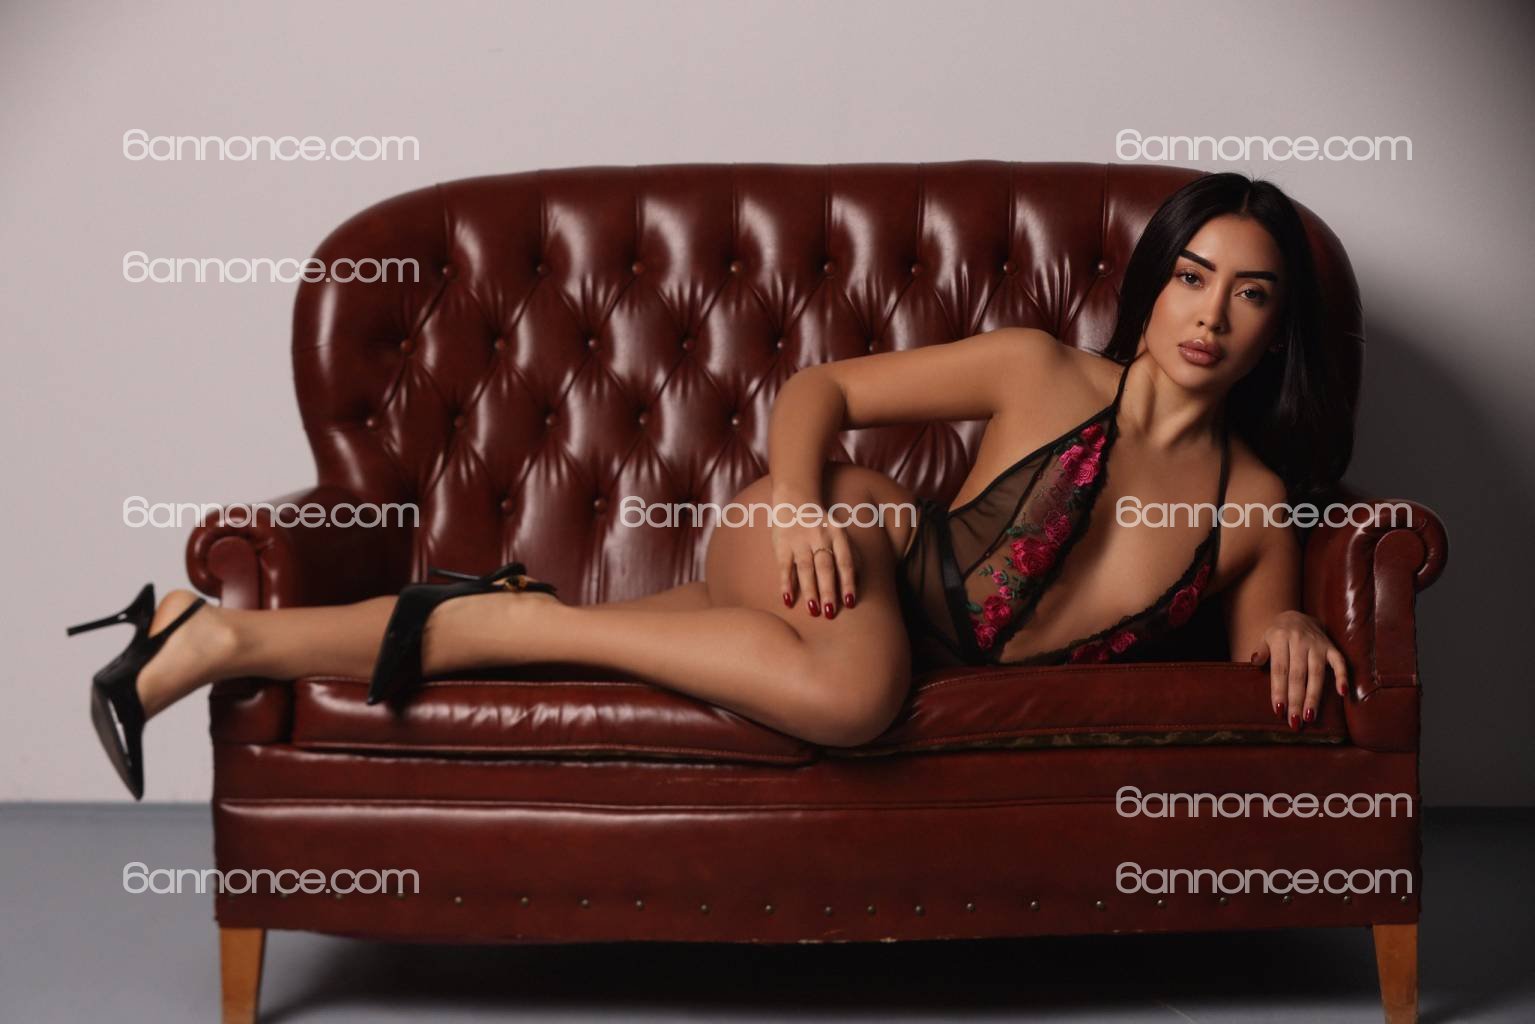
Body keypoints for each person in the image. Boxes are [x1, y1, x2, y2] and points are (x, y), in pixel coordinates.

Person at [68, 172, 1352, 800]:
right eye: (1191, 278)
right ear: (1153, 284)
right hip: (831, 541)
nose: (1210, 315)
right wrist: (793, 501)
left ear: (1274, 329)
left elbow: (1263, 647)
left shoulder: (1252, 503)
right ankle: (521, 610)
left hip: (846, 630)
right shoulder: (1040, 369)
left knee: (559, 649)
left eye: (1249, 294)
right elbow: (819, 390)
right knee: (854, 695)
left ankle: (213, 634)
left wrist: (1292, 619)